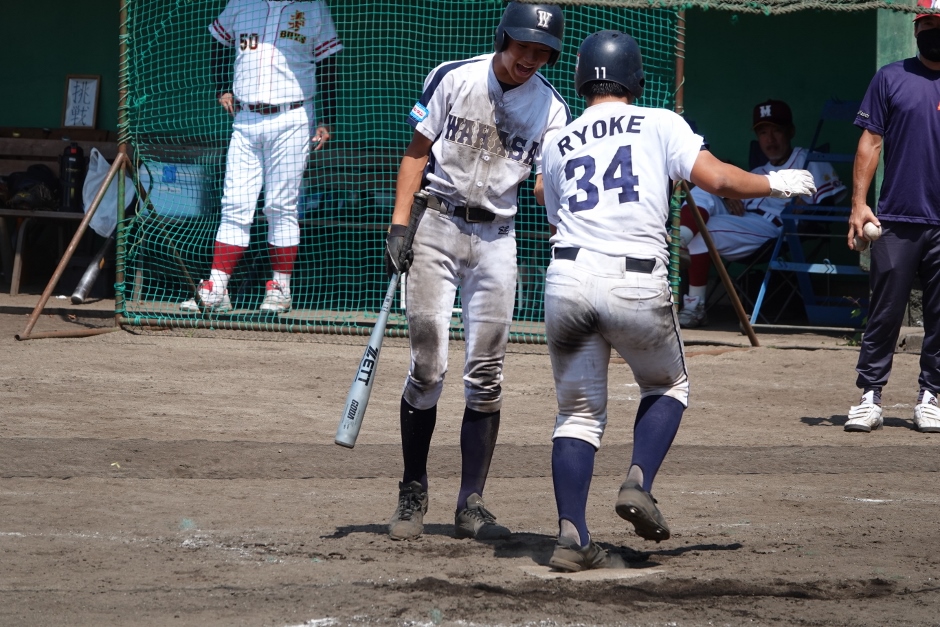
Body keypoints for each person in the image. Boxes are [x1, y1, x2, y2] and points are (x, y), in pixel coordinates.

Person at [540, 30, 816, 572]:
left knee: (576, 415)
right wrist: (777, 184)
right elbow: (720, 180)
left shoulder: (558, 139)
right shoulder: (661, 121)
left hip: (567, 277)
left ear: (582, 79)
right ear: (635, 78)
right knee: (667, 385)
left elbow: (551, 211)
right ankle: (638, 482)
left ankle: (571, 538)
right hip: (634, 280)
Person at [382, 2, 570, 541]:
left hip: (497, 240)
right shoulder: (454, 77)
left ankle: (471, 503)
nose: (529, 59)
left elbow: (544, 183)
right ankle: (413, 490)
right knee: (428, 367)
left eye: (541, 53)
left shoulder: (552, 109)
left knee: (486, 375)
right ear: (503, 39)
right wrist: (400, 225)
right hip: (437, 226)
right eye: (523, 47)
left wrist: (560, 205)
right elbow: (417, 153)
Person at [180, 0, 342, 314]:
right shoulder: (242, 2)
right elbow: (219, 39)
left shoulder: (312, 7)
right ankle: (217, 288)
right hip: (246, 117)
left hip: (293, 116)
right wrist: (222, 87)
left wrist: (327, 119)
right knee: (234, 203)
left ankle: (280, 287)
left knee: (280, 205)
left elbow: (328, 63)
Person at [844, 0, 940, 434]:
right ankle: (870, 396)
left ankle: (931, 396)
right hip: (897, 219)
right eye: (928, 23)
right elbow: (870, 142)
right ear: (917, 29)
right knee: (884, 313)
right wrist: (858, 204)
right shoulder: (890, 77)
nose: (934, 30)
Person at [678, 99, 846, 328]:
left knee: (703, 232)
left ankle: (693, 306)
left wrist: (807, 208)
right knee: (703, 189)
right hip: (742, 220)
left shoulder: (808, 159)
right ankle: (679, 241)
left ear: (790, 132)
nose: (770, 139)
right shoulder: (757, 171)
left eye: (777, 131)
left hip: (772, 229)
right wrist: (727, 197)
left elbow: (829, 204)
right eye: (763, 132)